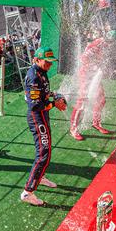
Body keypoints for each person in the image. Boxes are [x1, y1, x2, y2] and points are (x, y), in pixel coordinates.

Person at [22, 47, 67, 206]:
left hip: (42, 116)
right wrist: (54, 104)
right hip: (37, 117)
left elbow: (45, 94)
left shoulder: (42, 72)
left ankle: (39, 177)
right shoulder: (34, 77)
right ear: (37, 60)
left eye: (51, 62)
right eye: (46, 62)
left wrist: (56, 96)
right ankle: (28, 192)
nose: (49, 65)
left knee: (44, 150)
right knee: (43, 153)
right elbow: (36, 105)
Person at [69, 30, 116, 140]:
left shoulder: (107, 45)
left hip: (94, 75)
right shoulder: (98, 44)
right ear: (111, 40)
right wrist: (96, 66)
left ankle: (96, 123)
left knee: (101, 100)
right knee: (82, 101)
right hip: (86, 74)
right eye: (115, 43)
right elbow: (84, 58)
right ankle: (73, 128)